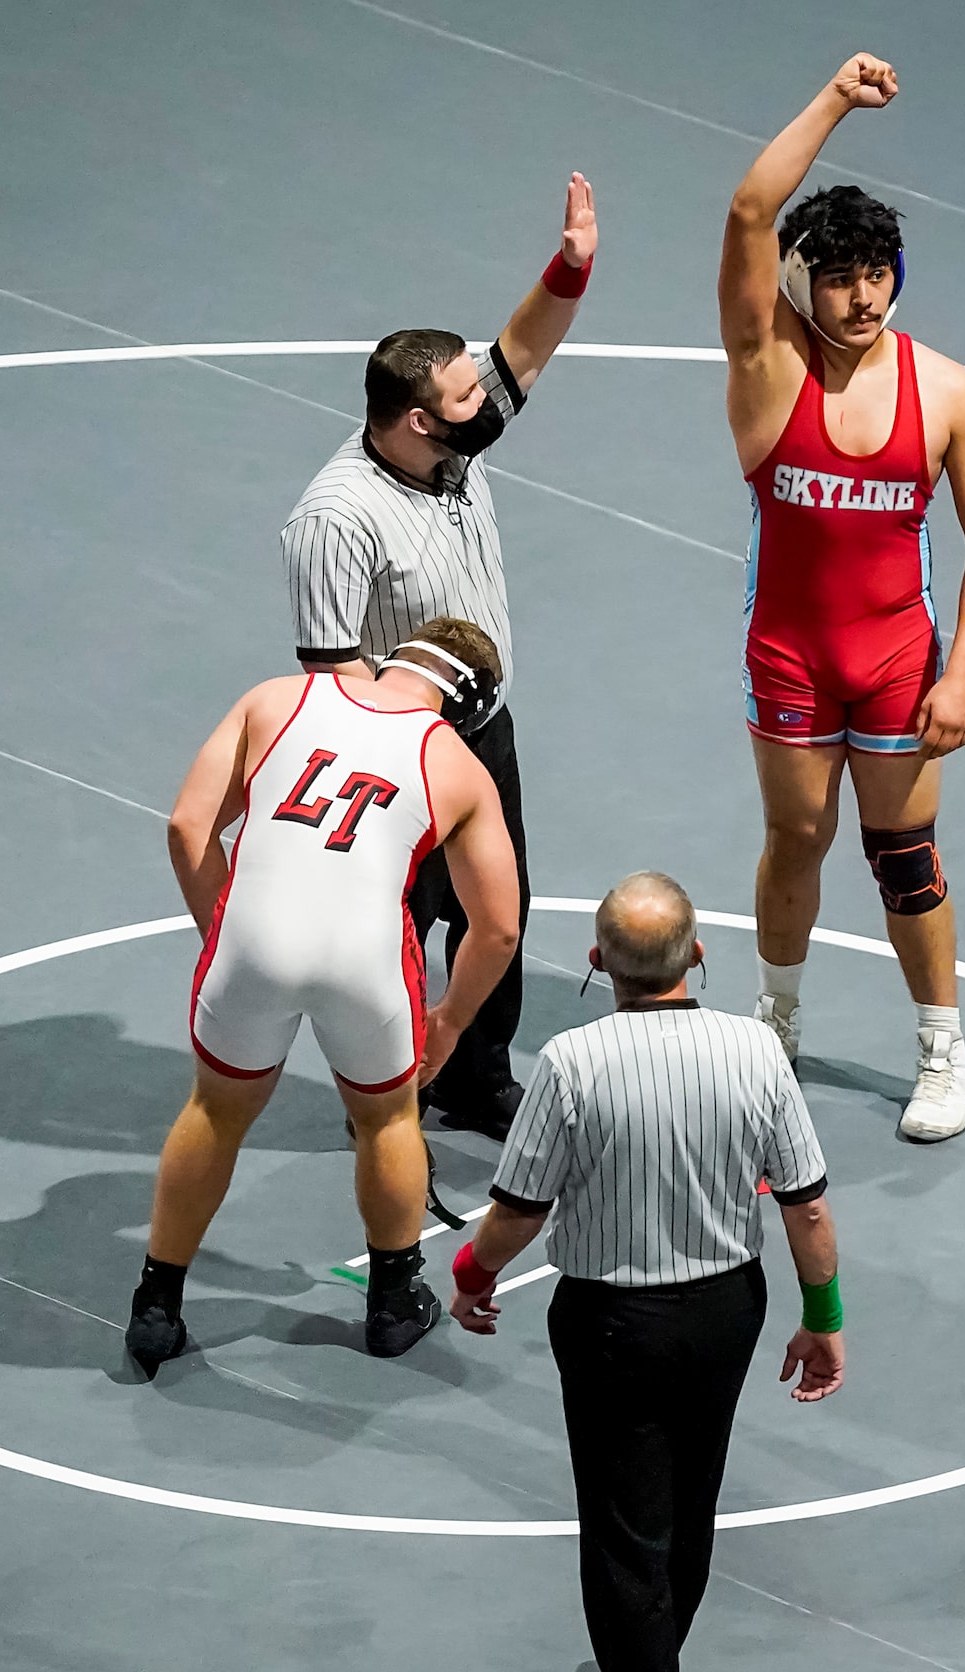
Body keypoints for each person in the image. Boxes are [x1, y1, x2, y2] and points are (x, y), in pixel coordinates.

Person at [447, 873, 845, 1672]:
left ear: (594, 966)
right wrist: (822, 1315)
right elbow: (804, 1201)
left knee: (626, 1538)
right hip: (722, 1314)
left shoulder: (571, 1062)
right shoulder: (753, 1049)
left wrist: (468, 1270)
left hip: (612, 1322)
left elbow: (519, 1210)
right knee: (688, 1505)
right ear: (697, 961)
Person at [719, 53, 965, 1140]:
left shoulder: (944, 392)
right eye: (837, 276)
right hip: (788, 654)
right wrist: (836, 100)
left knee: (902, 857)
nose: (860, 296)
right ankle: (774, 1025)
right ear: (800, 280)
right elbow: (752, 206)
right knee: (795, 836)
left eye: (876, 273)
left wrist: (964, 671)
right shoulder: (765, 369)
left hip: (898, 661)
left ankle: (940, 1052)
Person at [281, 173, 600, 1141]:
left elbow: (525, 351)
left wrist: (570, 267)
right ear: (419, 418)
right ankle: (387, 1079)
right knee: (394, 924)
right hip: (397, 753)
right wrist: (389, 763)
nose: (489, 398)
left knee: (495, 906)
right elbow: (332, 677)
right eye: (467, 394)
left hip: (480, 729)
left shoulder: (451, 447)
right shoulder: (334, 520)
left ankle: (472, 1073)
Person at [124, 617, 519, 1372]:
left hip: (253, 941)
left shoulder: (278, 699)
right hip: (362, 956)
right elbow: (497, 927)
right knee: (386, 1118)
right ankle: (394, 1304)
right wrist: (450, 1021)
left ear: (387, 662)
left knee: (215, 1109)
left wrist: (225, 933)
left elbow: (187, 826)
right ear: (468, 707)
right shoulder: (457, 764)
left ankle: (157, 1304)